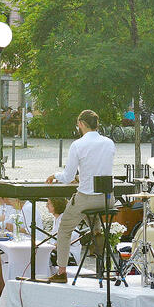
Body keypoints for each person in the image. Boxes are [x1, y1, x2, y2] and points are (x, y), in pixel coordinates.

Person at [44, 110, 116, 283]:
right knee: (95, 221)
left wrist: (55, 175)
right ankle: (102, 264)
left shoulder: (78, 144)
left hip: (87, 198)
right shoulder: (109, 143)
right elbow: (98, 168)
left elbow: (68, 177)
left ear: (82, 124)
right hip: (107, 198)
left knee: (64, 230)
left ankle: (61, 272)